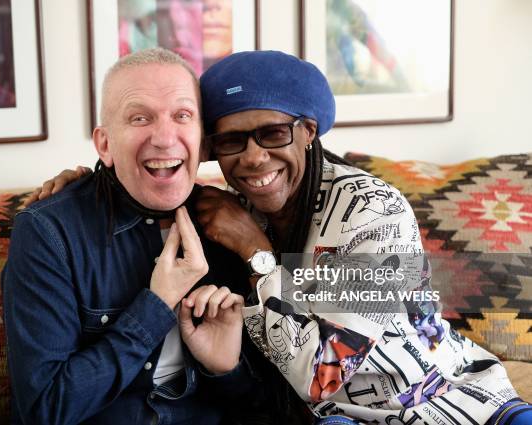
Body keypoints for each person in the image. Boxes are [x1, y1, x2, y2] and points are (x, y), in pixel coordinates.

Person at [30, 50, 531, 424]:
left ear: (309, 132)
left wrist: (258, 255)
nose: (252, 159)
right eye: (231, 141)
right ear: (212, 150)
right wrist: (94, 176)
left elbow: (327, 377)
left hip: (446, 403)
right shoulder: (229, 206)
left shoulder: (372, 213)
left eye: (273, 134)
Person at [2, 48, 258, 425]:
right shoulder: (48, 232)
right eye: (140, 118)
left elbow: (268, 403)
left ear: (202, 140)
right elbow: (43, 410)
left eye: (182, 115)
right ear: (105, 144)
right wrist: (156, 306)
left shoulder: (235, 223)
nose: (164, 138)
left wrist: (224, 369)